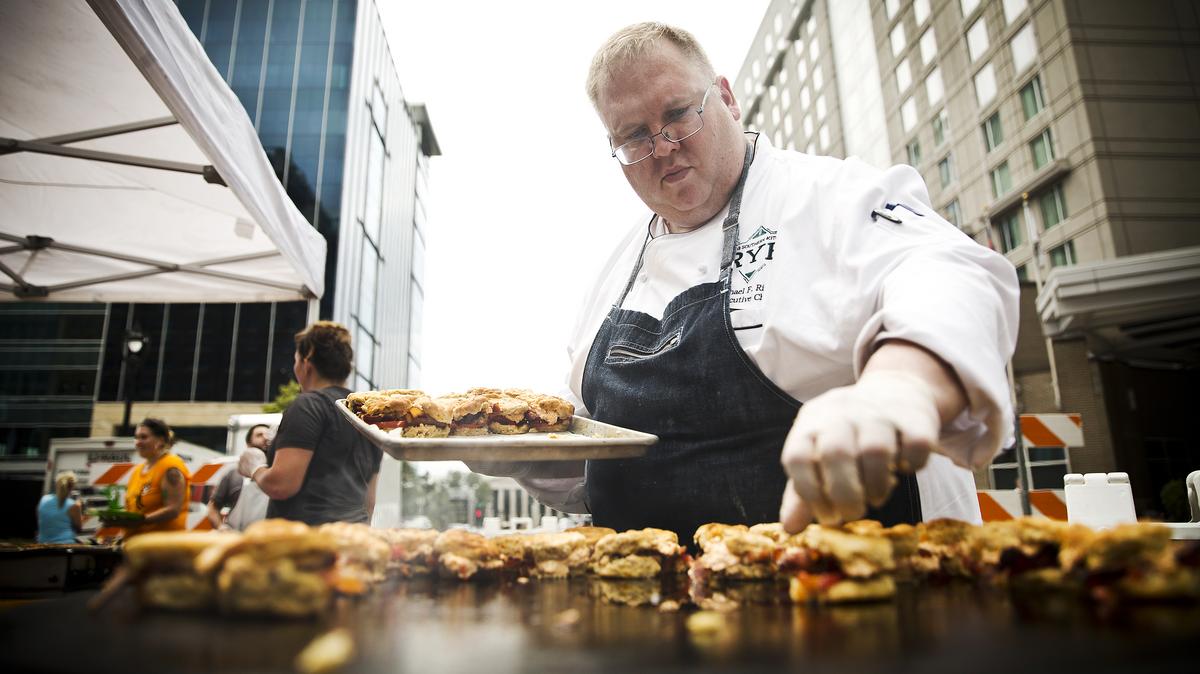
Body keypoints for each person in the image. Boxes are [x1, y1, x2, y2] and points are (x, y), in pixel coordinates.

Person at [471, 23, 1019, 543]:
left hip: (852, 606)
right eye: (635, 136)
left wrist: (900, 388)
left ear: (728, 99)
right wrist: (512, 448)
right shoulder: (614, 275)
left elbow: (948, 273)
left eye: (679, 114)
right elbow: (597, 463)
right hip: (648, 619)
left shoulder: (828, 197)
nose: (663, 147)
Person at [238, 322, 382, 525]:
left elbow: (282, 485)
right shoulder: (367, 415)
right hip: (350, 540)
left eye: (295, 359)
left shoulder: (309, 405)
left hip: (304, 544)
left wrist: (255, 468)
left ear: (307, 364)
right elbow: (369, 502)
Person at [118, 418, 191, 536]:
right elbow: (133, 509)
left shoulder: (170, 467)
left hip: (161, 547)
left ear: (161, 441)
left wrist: (140, 521)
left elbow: (173, 510)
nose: (138, 442)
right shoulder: (137, 471)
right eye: (136, 437)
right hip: (136, 545)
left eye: (144, 437)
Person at [207, 424, 271, 529]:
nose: (265, 438)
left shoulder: (277, 474)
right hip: (236, 538)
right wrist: (220, 527)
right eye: (259, 435)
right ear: (248, 444)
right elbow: (213, 507)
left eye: (268, 435)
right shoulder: (233, 475)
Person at [37, 472, 82, 544]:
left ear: (56, 484)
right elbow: (79, 529)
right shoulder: (74, 505)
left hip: (43, 543)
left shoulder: (44, 499)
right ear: (72, 487)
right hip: (65, 545)